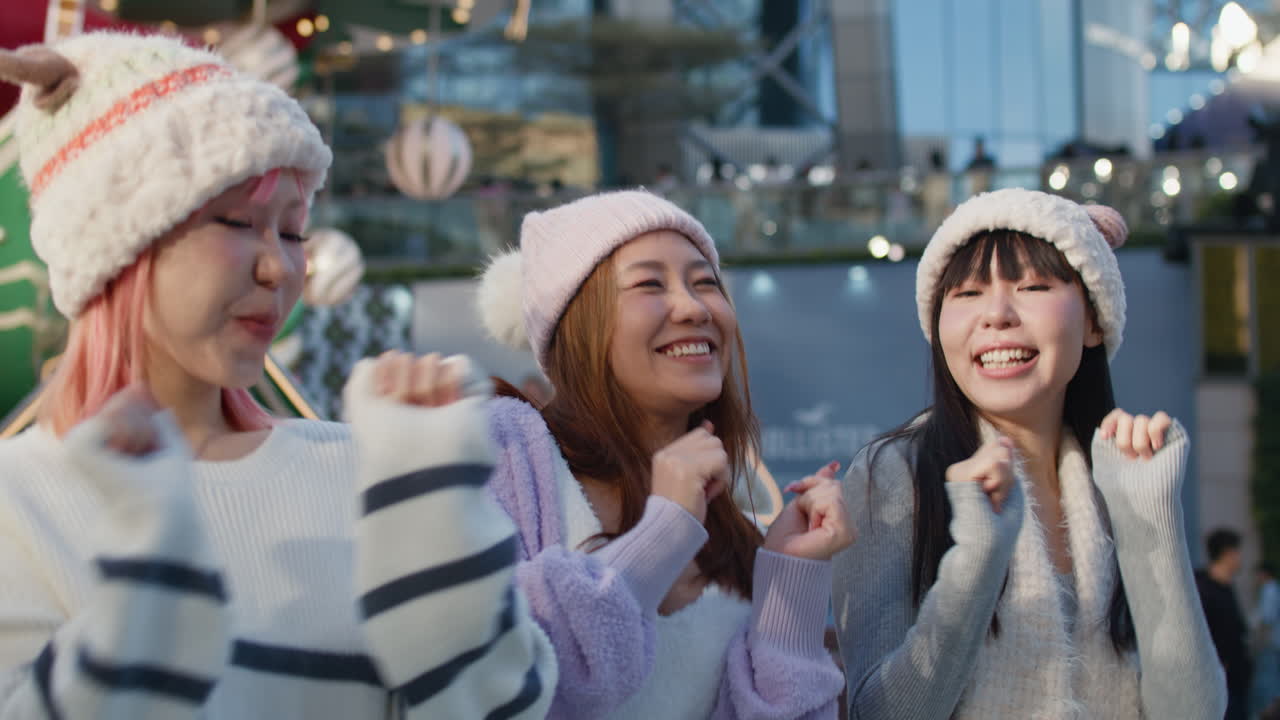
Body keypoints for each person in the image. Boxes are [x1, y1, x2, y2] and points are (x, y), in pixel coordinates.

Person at [0, 32, 554, 719]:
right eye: (239, 223)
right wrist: (147, 589)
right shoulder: (16, 500)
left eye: (293, 232)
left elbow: (500, 708)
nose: (280, 269)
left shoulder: (363, 471)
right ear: (118, 248)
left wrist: (435, 517)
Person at [832, 188, 1226, 718]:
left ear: (1093, 321)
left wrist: (1148, 515)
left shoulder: (1117, 473)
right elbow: (878, 713)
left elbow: (1193, 711)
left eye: (1034, 285)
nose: (997, 314)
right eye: (967, 293)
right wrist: (977, 556)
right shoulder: (894, 474)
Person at [475, 189, 851, 718]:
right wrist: (663, 532)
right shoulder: (502, 449)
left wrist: (790, 578)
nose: (693, 307)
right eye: (650, 283)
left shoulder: (735, 531)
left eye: (705, 283)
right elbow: (486, 676)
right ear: (577, 324)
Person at [1196, 527, 1252, 720]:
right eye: (1237, 552)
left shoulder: (1226, 587)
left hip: (1236, 679)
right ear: (1227, 554)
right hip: (1218, 682)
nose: (1239, 558)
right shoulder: (1203, 588)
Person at [1253, 562, 1280, 715]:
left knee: (1268, 680)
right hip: (1273, 641)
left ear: (1264, 574)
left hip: (1270, 643)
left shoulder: (1269, 590)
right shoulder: (1273, 589)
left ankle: (1271, 711)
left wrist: (1258, 641)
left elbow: (1266, 619)